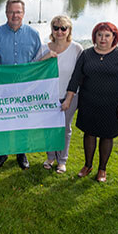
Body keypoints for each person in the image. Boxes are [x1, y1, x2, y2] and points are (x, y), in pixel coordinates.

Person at [63, 22, 118, 181]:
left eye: (107, 35)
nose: (103, 39)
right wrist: (69, 98)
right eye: (100, 35)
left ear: (114, 37)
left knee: (107, 136)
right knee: (89, 133)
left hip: (111, 105)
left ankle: (102, 169)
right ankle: (87, 165)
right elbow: (75, 79)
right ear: (95, 36)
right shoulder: (86, 54)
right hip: (89, 102)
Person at [0, 0, 41, 170]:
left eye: (18, 12)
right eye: (11, 12)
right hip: (3, 88)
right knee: (3, 121)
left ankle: (21, 153)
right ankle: (2, 152)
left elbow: (37, 62)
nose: (15, 15)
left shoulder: (34, 34)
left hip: (26, 89)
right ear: (6, 13)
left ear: (23, 13)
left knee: (23, 122)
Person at [39, 16, 83, 174]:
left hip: (69, 96)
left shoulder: (77, 49)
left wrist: (69, 98)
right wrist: (45, 58)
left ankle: (62, 160)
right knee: (49, 128)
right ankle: (50, 157)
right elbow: (33, 69)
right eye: (56, 28)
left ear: (69, 30)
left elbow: (79, 76)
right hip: (48, 96)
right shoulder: (44, 47)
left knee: (64, 128)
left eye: (63, 28)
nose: (59, 31)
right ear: (51, 29)